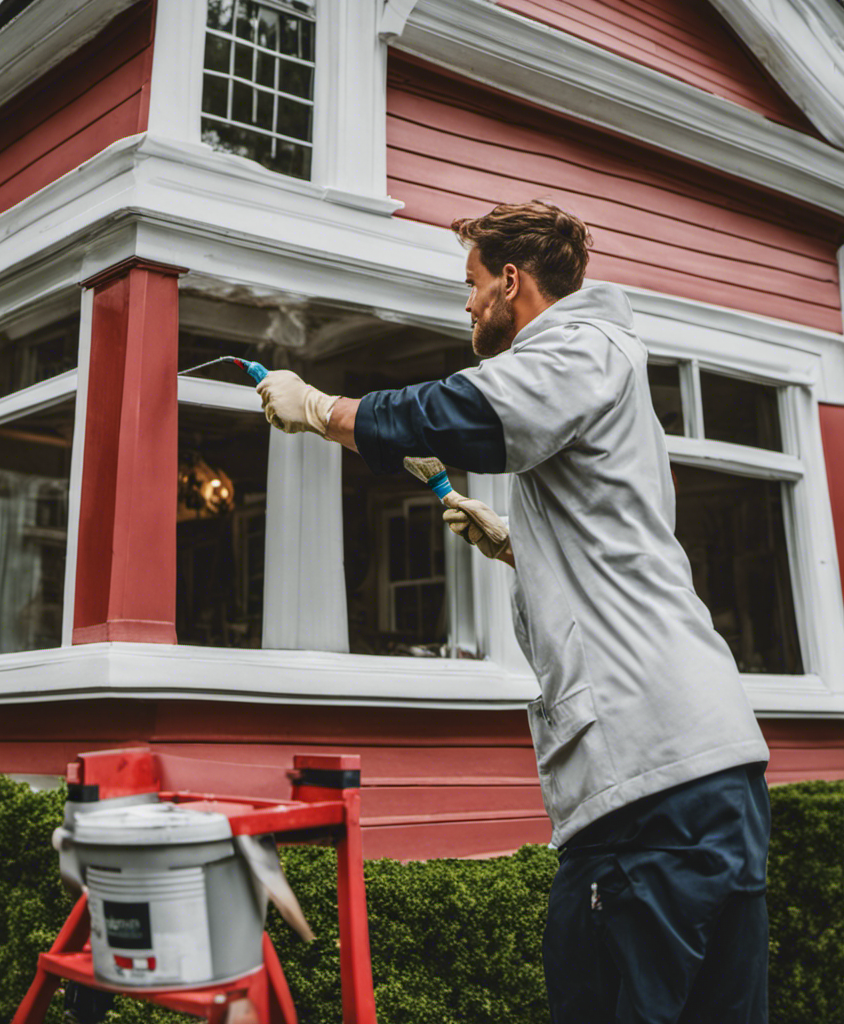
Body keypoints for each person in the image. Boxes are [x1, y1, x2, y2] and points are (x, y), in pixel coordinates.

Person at [256, 200, 772, 1024]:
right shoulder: (604, 368)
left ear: (509, 281)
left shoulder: (576, 346)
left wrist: (322, 410)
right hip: (707, 767)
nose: (465, 306)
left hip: (649, 777)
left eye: (469, 285)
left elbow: (455, 414)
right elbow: (610, 533)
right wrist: (516, 545)